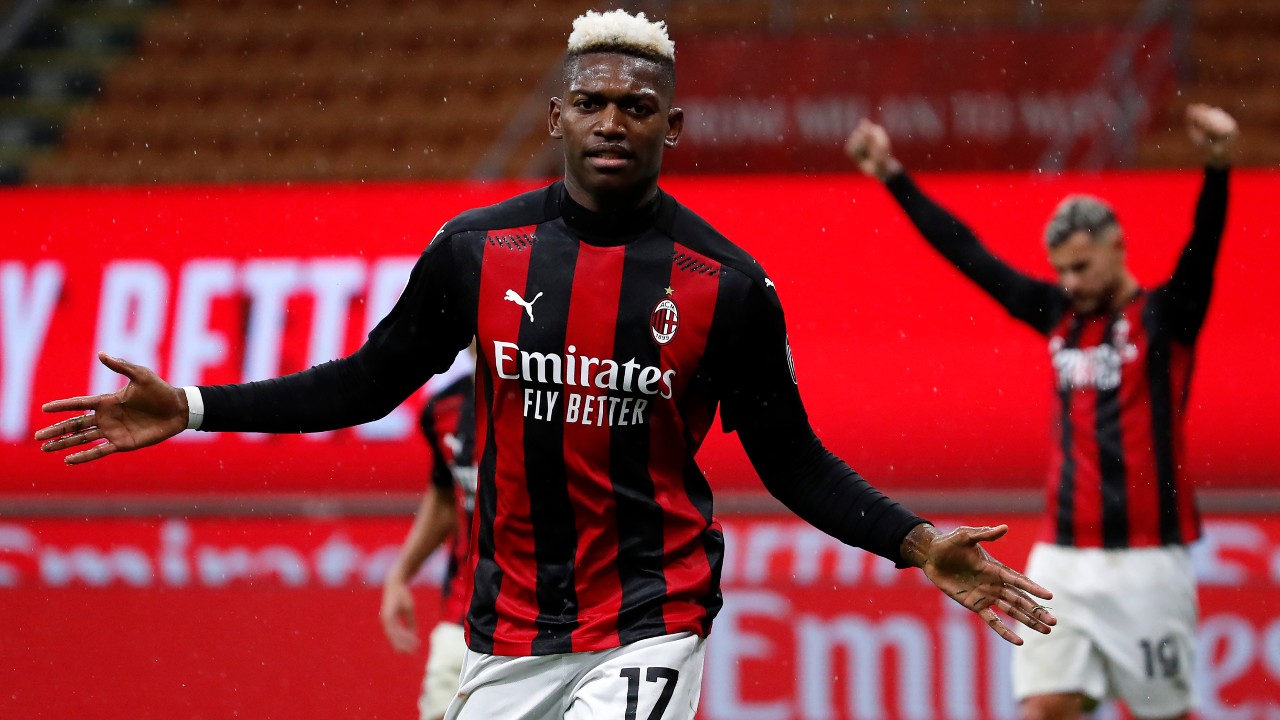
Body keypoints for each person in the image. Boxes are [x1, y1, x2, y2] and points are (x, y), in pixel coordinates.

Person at [37, 10, 1054, 719]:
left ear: (673, 126)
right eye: (594, 101)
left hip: (651, 614)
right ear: (561, 114)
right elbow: (368, 380)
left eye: (637, 106)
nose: (614, 120)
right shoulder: (477, 251)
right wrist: (197, 402)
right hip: (506, 627)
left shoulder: (727, 285)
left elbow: (793, 461)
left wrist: (916, 543)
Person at [844, 104, 1237, 720]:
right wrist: (893, 175)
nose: (1072, 282)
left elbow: (1203, 250)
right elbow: (968, 254)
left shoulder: (1164, 318)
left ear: (1117, 245)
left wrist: (1217, 168)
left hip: (1149, 563)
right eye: (1062, 271)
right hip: (1061, 560)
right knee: (1046, 708)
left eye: (1081, 266)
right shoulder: (1059, 317)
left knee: (1165, 714)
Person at [381, 348, 478, 720]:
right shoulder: (444, 410)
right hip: (465, 611)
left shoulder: (558, 405)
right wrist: (400, 574)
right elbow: (445, 496)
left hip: (551, 618)